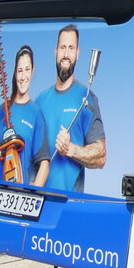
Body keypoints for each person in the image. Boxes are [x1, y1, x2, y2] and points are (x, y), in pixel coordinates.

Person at [35, 24, 106, 192]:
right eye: (62, 48)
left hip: (68, 204)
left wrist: (71, 149)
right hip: (35, 200)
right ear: (55, 51)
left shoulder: (86, 98)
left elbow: (101, 156)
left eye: (71, 48)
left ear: (77, 53)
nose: (66, 54)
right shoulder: (39, 100)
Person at [0, 45, 51, 187]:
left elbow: (44, 165)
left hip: (21, 197)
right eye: (19, 71)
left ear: (33, 71)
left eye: (27, 70)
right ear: (14, 74)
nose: (23, 76)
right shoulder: (2, 110)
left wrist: (33, 195)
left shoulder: (36, 113)